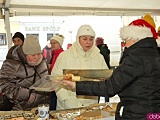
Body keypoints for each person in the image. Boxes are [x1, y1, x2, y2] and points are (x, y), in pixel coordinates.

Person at [59, 14, 160, 120]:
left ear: (134, 39)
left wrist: (76, 86)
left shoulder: (136, 57)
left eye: (125, 41)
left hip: (138, 114)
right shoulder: (154, 54)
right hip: (154, 114)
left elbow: (110, 87)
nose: (125, 45)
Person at [51, 24, 107, 110]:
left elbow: (104, 79)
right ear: (78, 39)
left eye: (91, 39)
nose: (88, 42)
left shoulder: (99, 57)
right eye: (84, 39)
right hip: (66, 106)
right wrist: (66, 99)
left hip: (91, 105)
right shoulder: (65, 56)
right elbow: (55, 79)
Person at [0, 35, 50, 111]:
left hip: (42, 108)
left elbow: (46, 78)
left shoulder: (43, 61)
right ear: (25, 53)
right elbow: (4, 85)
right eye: (33, 55)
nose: (36, 57)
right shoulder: (12, 64)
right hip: (20, 109)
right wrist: (25, 95)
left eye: (39, 54)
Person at [49, 34, 64, 110]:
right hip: (53, 84)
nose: (52, 45)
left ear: (60, 44)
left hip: (58, 84)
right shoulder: (53, 54)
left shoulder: (62, 55)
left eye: (55, 43)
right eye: (51, 43)